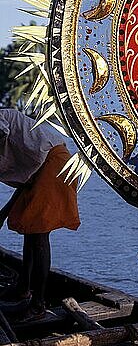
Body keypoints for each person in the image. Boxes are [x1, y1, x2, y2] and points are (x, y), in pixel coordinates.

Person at [0, 109, 80, 321]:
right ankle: (23, 289)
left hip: (55, 164)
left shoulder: (1, 120)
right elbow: (26, 183)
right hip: (44, 168)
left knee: (39, 237)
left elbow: (1, 134)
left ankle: (37, 306)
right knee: (30, 229)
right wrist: (2, 214)